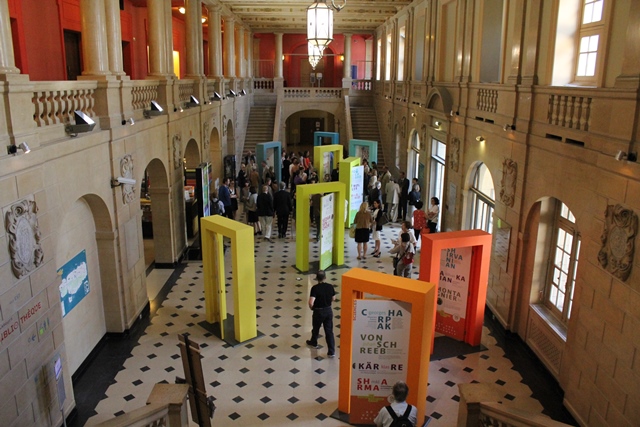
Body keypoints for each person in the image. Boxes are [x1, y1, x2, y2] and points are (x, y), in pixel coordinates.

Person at [306, 270, 336, 358]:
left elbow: (311, 302)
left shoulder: (315, 288)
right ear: (325, 277)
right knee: (329, 331)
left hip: (318, 311)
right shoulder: (330, 286)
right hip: (328, 311)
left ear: (317, 278)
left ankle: (314, 342)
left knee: (316, 328)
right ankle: (331, 351)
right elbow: (333, 298)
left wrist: (312, 308)